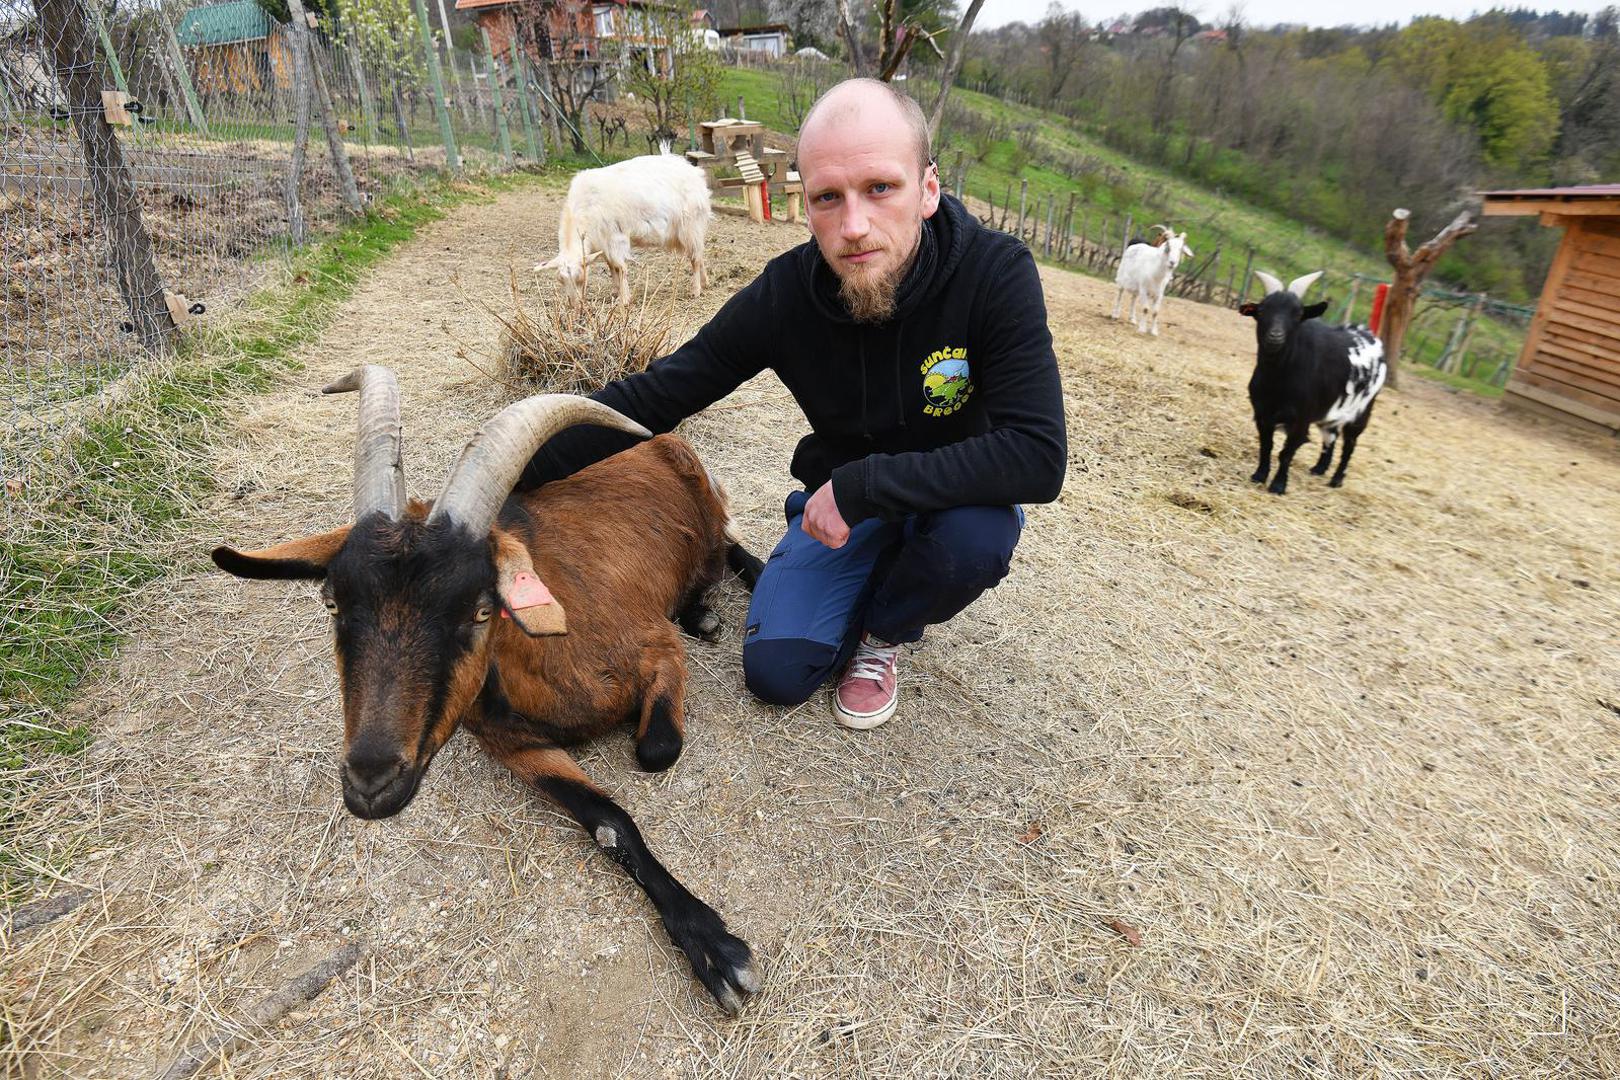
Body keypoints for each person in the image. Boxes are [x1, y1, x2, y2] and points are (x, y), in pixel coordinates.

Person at [520, 78, 1066, 730]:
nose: (854, 226)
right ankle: (861, 567)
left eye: (880, 188)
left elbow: (1038, 455)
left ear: (928, 190)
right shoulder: (785, 296)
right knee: (777, 674)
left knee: (973, 540)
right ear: (802, 206)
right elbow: (658, 394)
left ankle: (885, 633)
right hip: (841, 508)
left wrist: (865, 485)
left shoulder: (993, 273)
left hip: (947, 501)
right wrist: (508, 468)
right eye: (827, 198)